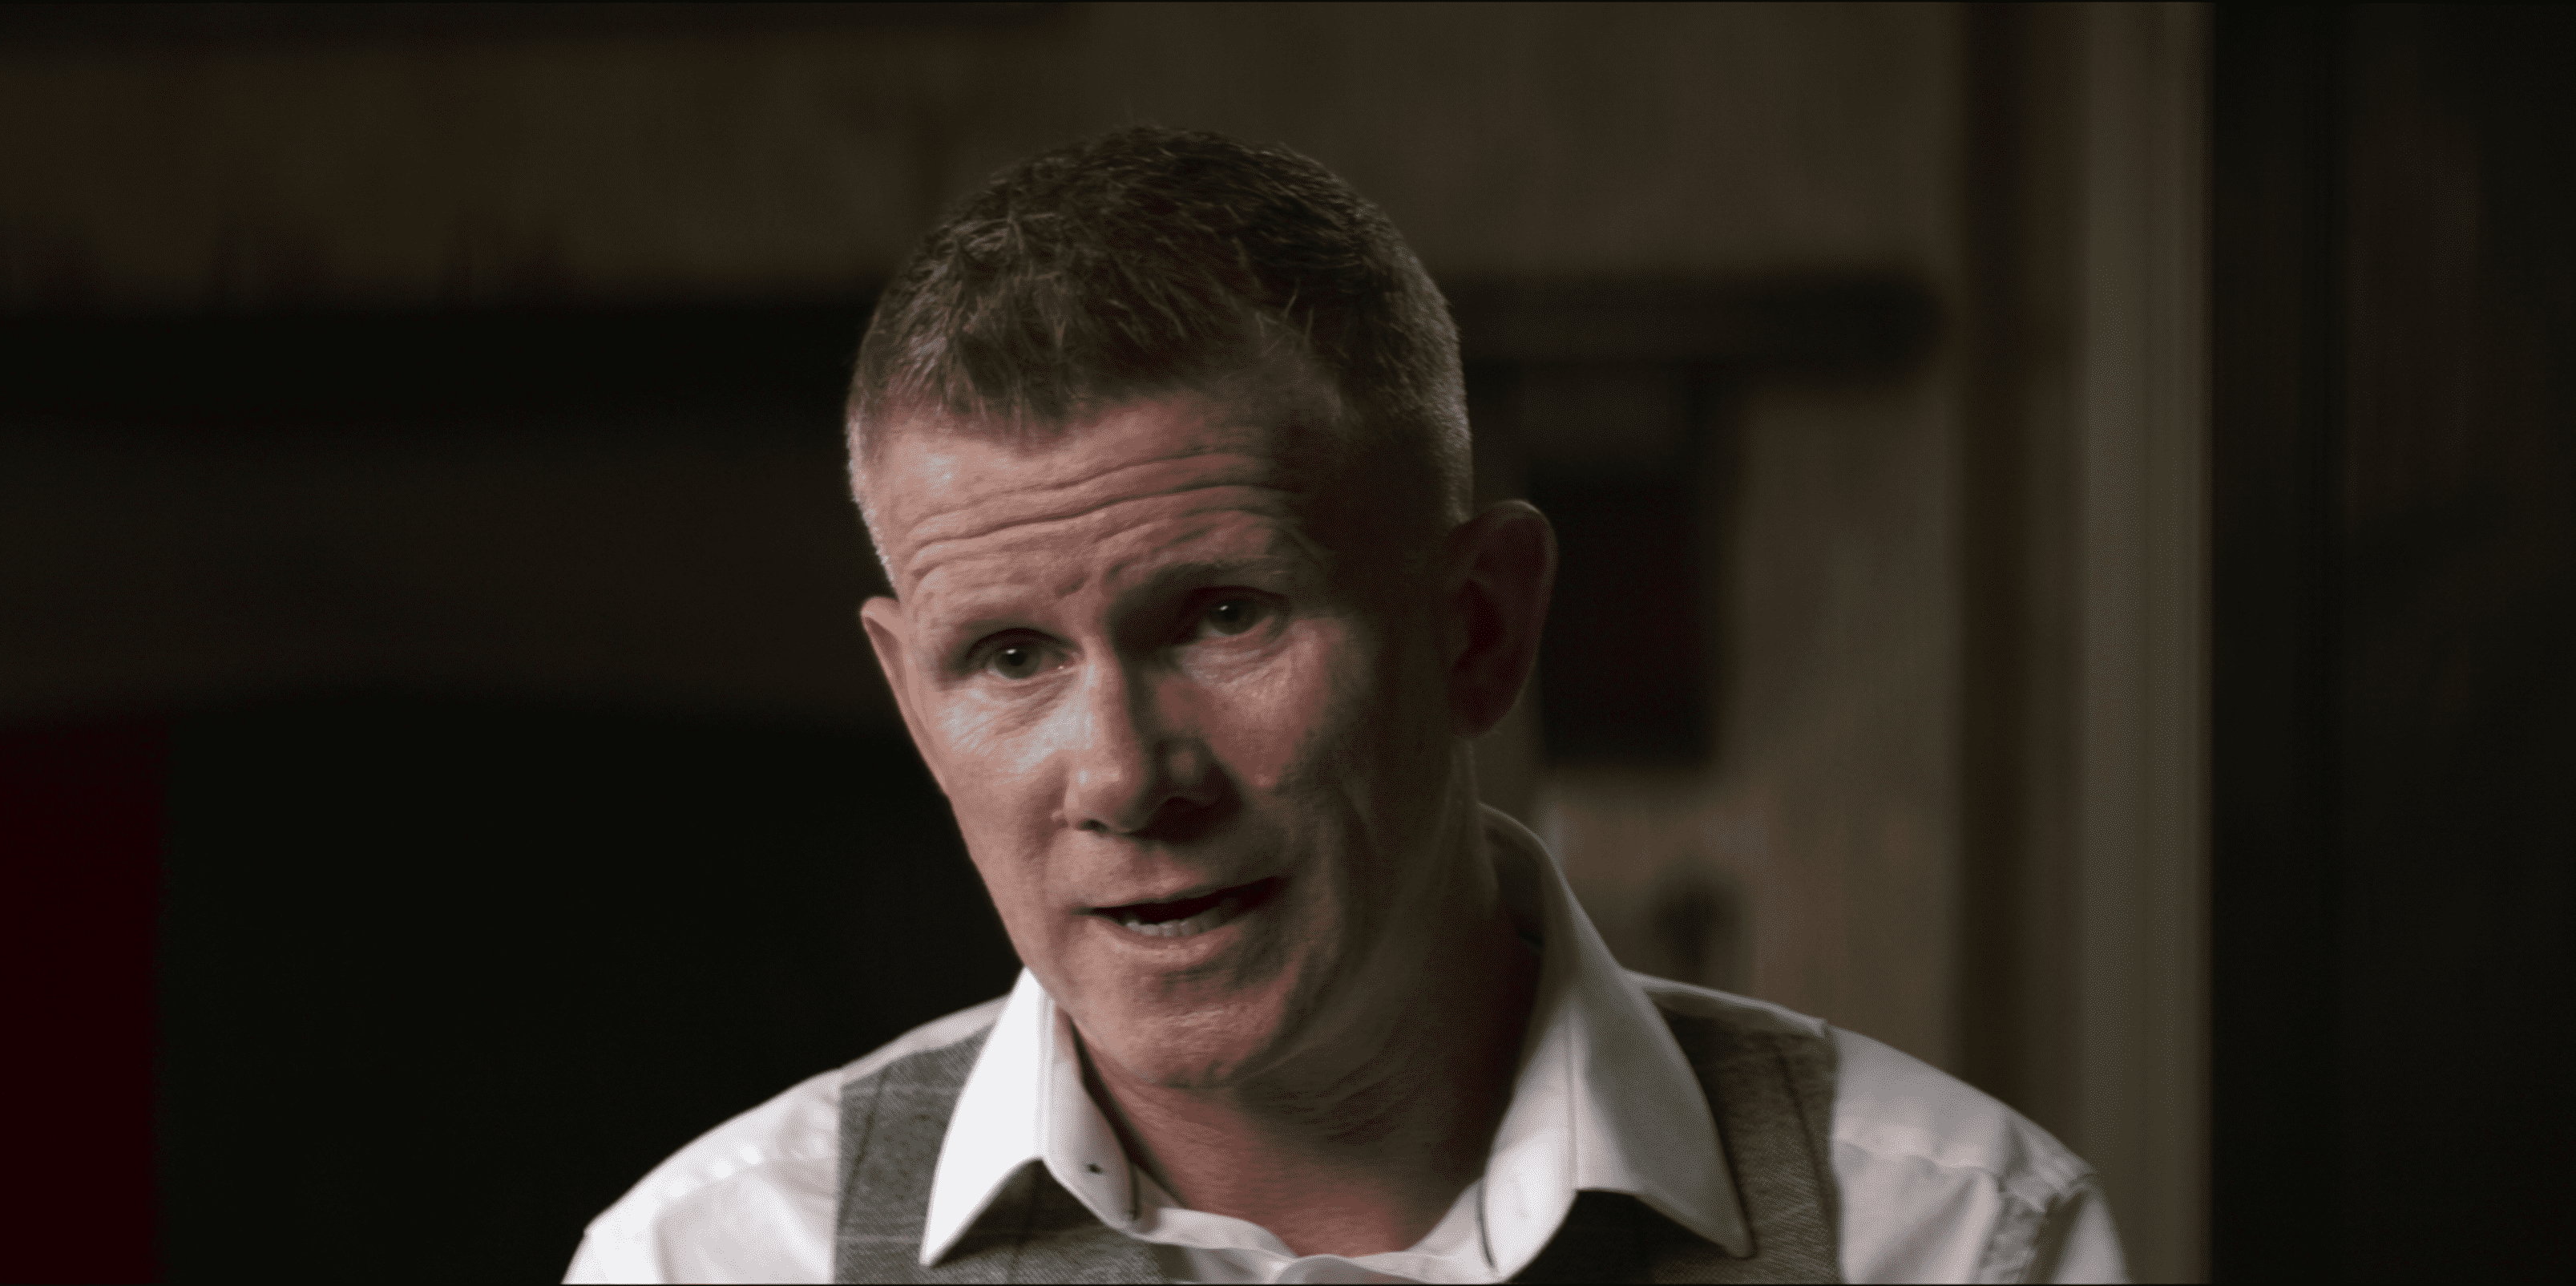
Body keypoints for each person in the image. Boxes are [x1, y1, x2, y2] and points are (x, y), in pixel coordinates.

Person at [564, 126, 2125, 1284]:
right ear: (912, 703)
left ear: (1475, 628)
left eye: (1223, 614)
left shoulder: (1955, 1241)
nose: (1124, 776)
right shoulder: (710, 1263)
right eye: (1012, 657)